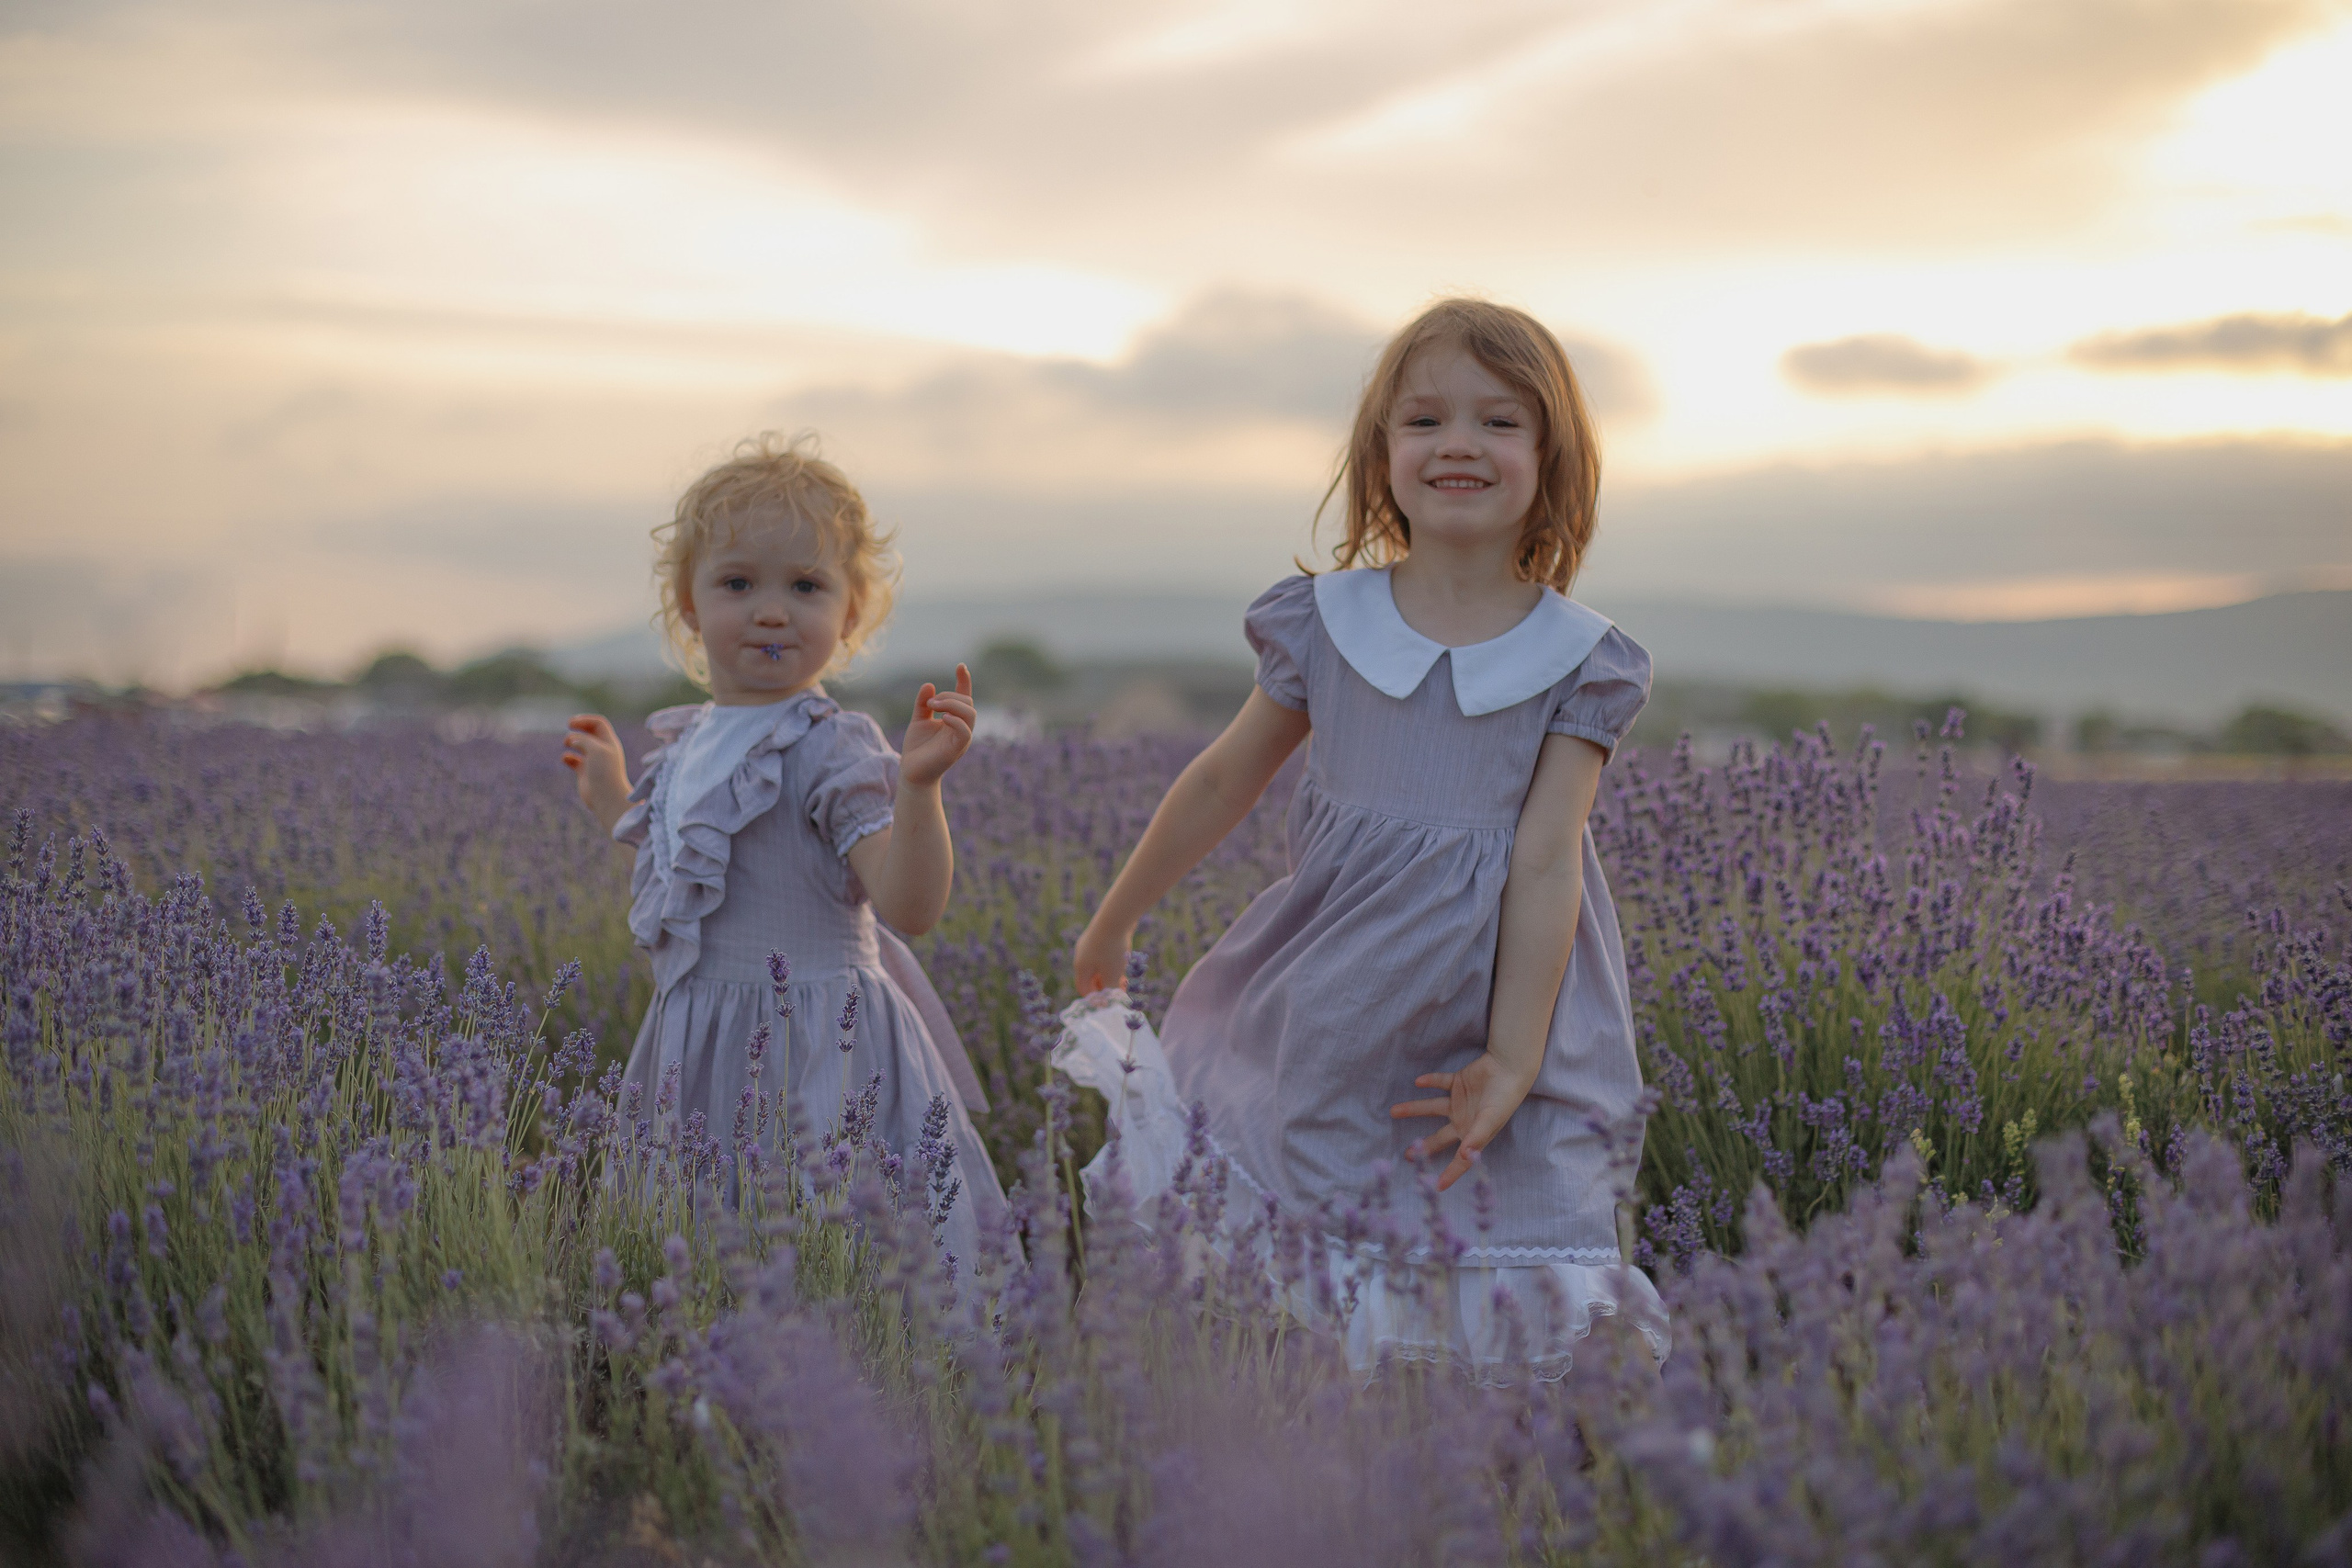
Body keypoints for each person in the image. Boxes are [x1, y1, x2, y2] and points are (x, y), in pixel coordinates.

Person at [1071, 299, 1668, 1379]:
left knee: (1496, 1230)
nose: (1457, 445)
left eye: (1498, 422)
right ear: (1379, 452)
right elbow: (1220, 780)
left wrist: (1514, 1057)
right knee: (1310, 1231)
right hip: (1336, 996)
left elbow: (1543, 863)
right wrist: (1119, 913)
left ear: (1551, 457)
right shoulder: (1326, 622)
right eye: (1424, 420)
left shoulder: (1583, 659)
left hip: (1506, 1000)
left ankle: (1493, 1486)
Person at [562, 433, 1003, 1260]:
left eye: (806, 585)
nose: (771, 609)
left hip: (820, 1056)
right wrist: (614, 800)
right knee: (708, 1262)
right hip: (699, 1051)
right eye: (738, 583)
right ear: (688, 605)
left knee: (835, 1260)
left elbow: (909, 902)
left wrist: (919, 789)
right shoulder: (685, 744)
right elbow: (694, 885)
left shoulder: (832, 746)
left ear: (852, 610)